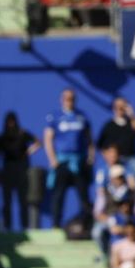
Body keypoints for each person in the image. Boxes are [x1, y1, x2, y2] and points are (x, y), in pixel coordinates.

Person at [45, 88, 92, 228]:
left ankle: (86, 222)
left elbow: (89, 139)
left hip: (78, 160)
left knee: (83, 193)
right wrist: (53, 160)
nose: (69, 101)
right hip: (62, 161)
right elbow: (48, 139)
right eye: (66, 98)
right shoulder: (55, 117)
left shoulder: (81, 117)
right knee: (59, 194)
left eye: (71, 98)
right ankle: (56, 224)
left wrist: (90, 157)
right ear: (61, 99)